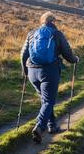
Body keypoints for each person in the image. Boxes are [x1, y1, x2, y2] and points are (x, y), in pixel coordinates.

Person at [21, 12, 79, 144]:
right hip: (48, 71)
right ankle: (39, 126)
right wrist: (75, 60)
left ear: (42, 21)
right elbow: (67, 54)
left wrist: (25, 71)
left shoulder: (31, 34)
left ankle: (52, 126)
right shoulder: (57, 34)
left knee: (45, 99)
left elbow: (23, 55)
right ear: (54, 21)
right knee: (48, 101)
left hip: (32, 71)